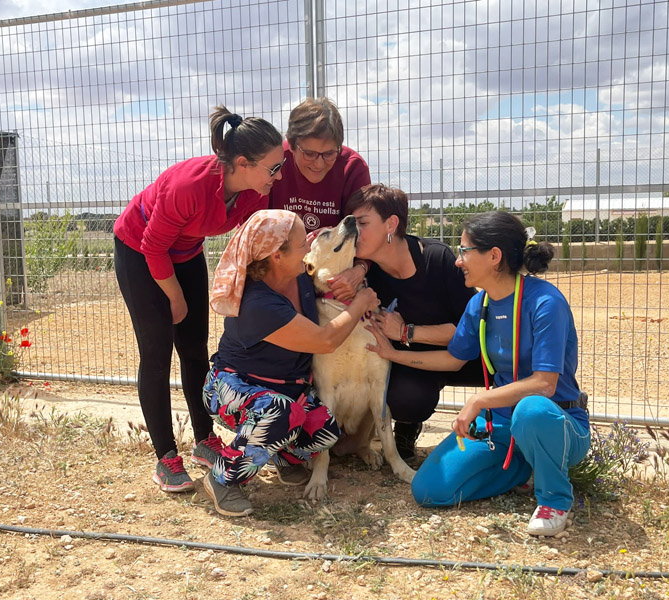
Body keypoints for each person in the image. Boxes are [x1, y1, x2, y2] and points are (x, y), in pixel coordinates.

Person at [366, 211, 590, 537]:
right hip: (499, 425)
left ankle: (554, 498)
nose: (458, 261)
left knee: (530, 409)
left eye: (464, 251)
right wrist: (394, 352)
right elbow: (454, 359)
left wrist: (480, 399)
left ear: (494, 256)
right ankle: (524, 466)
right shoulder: (479, 305)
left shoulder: (545, 302)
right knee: (429, 490)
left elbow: (545, 384)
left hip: (558, 422)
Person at [113, 106, 285, 493]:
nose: (278, 176)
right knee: (156, 354)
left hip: (186, 252)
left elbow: (254, 243)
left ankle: (204, 441)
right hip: (140, 252)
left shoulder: (252, 192)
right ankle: (165, 458)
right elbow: (152, 247)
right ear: (242, 163)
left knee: (194, 349)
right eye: (273, 168)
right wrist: (174, 297)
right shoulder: (188, 186)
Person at [203, 209, 380, 517]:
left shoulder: (298, 279)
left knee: (325, 428)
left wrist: (358, 270)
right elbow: (324, 340)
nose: (308, 246)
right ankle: (222, 477)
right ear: (275, 256)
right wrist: (361, 304)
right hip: (234, 389)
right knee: (280, 414)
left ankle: (281, 454)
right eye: (302, 243)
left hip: (283, 390)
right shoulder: (258, 303)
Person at [343, 184, 485, 462]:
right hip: (411, 361)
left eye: (361, 223)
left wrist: (405, 331)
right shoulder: (365, 272)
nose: (353, 231)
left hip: (463, 352)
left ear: (391, 224)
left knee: (511, 365)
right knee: (407, 401)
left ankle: (532, 419)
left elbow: (469, 331)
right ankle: (407, 425)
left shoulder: (438, 259)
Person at [269, 97, 371, 301]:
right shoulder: (274, 163)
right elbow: (255, 233)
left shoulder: (353, 168)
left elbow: (366, 229)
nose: (318, 164)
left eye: (329, 154)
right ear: (291, 143)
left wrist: (359, 270)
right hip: (280, 271)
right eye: (309, 153)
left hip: (333, 278)